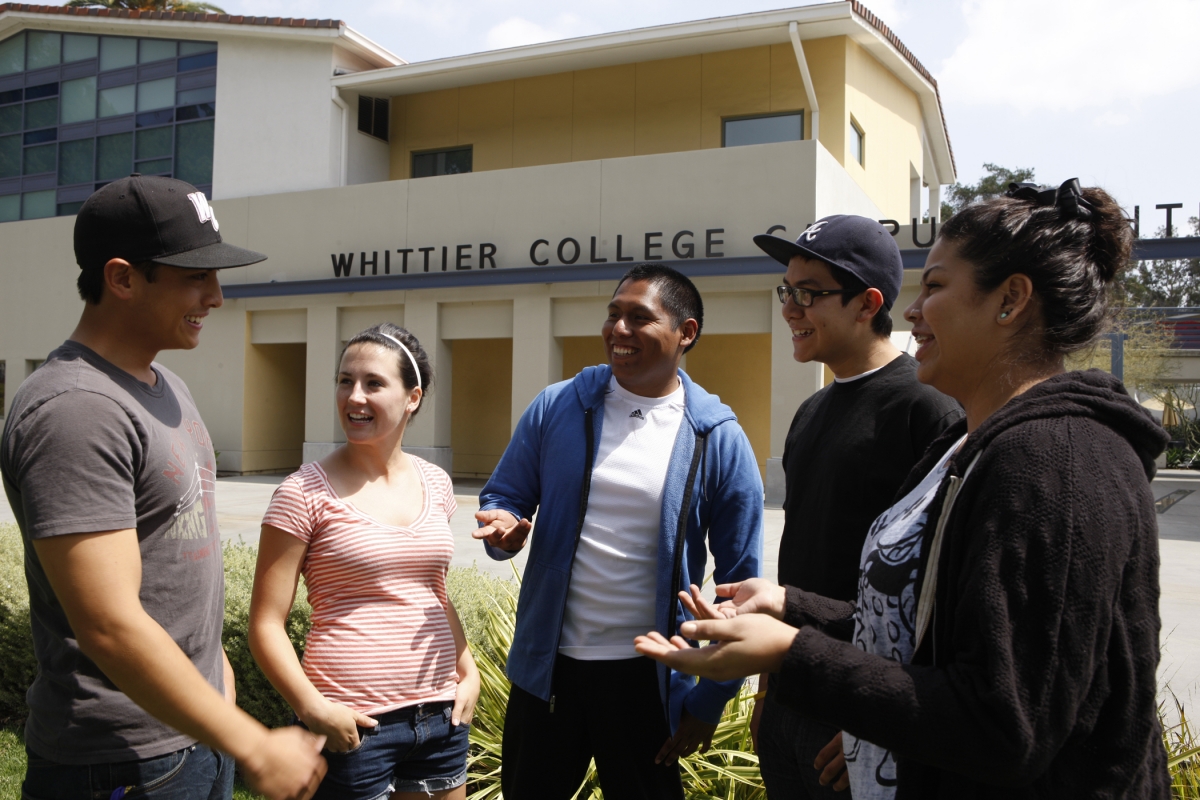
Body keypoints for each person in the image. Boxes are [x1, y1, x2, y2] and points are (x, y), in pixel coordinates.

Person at [636, 180, 1172, 798]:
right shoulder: (976, 445)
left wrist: (793, 653)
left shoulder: (1057, 462)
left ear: (1011, 299)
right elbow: (920, 624)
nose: (912, 310)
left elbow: (1005, 723)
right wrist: (791, 607)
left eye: (936, 286)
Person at [0, 175, 327, 800]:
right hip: (119, 766)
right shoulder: (76, 409)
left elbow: (174, 571)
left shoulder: (165, 386)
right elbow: (111, 626)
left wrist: (219, 690)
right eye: (194, 277)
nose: (217, 297)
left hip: (190, 737)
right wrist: (252, 742)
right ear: (122, 278)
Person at [473, 263, 764, 799]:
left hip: (648, 682)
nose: (619, 331)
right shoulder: (557, 406)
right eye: (613, 315)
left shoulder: (717, 438)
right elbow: (505, 497)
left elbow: (742, 590)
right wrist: (504, 527)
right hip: (548, 675)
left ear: (686, 333)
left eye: (639, 318)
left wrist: (709, 697)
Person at [750, 216, 962, 797]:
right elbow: (803, 559)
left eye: (809, 293)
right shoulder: (811, 411)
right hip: (795, 692)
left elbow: (931, 601)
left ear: (868, 303)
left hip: (860, 712)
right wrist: (771, 689)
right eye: (786, 291)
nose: (790, 308)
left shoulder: (930, 410)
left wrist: (876, 720)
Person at [249, 323, 479, 800]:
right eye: (344, 380)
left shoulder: (435, 483)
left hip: (440, 717)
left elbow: (432, 592)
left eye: (373, 383)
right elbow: (266, 623)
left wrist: (468, 670)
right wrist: (312, 707)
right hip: (351, 726)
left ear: (412, 397)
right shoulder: (302, 492)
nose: (354, 396)